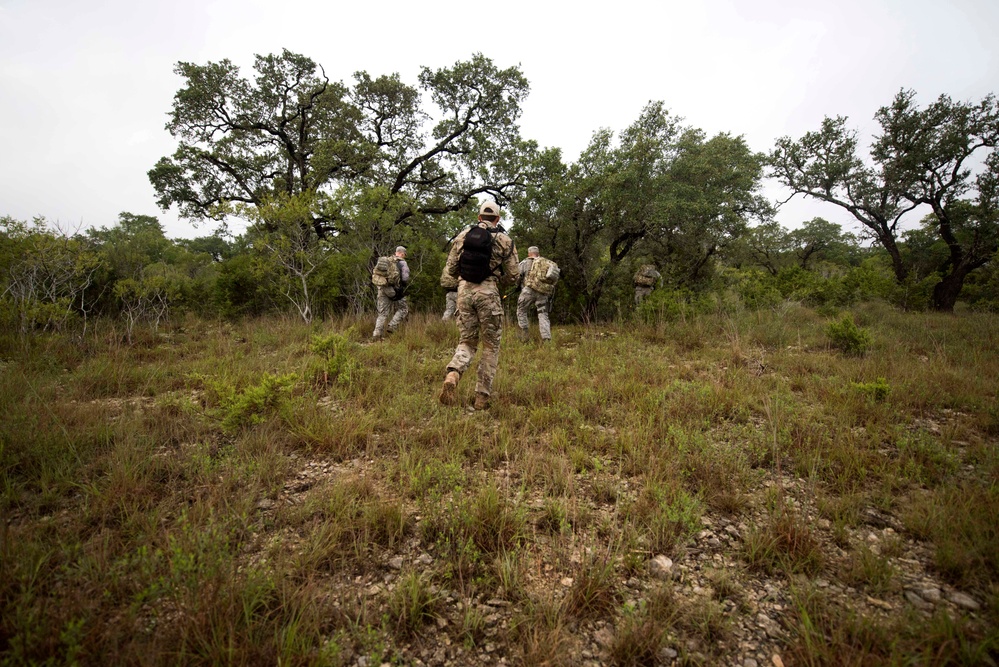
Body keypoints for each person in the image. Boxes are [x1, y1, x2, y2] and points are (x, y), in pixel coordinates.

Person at [439, 201, 519, 410]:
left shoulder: (463, 236)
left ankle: (453, 374)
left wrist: (465, 279)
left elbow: (450, 269)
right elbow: (513, 276)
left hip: (464, 292)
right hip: (489, 293)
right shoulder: (504, 240)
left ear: (479, 216)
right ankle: (481, 398)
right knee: (491, 346)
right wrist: (495, 278)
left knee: (467, 340)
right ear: (498, 219)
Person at [516, 246, 560, 342]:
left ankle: (525, 335)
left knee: (521, 310)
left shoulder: (524, 263)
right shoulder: (545, 262)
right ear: (538, 253)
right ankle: (546, 338)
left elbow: (517, 277)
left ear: (529, 253)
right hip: (543, 292)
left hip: (528, 291)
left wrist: (518, 285)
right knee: (543, 314)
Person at [372, 246, 410, 340]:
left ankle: (376, 334)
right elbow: (405, 277)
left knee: (382, 313)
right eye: (404, 255)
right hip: (394, 290)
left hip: (381, 288)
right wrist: (402, 286)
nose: (404, 256)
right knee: (403, 308)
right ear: (402, 253)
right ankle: (392, 326)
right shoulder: (402, 262)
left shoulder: (387, 260)